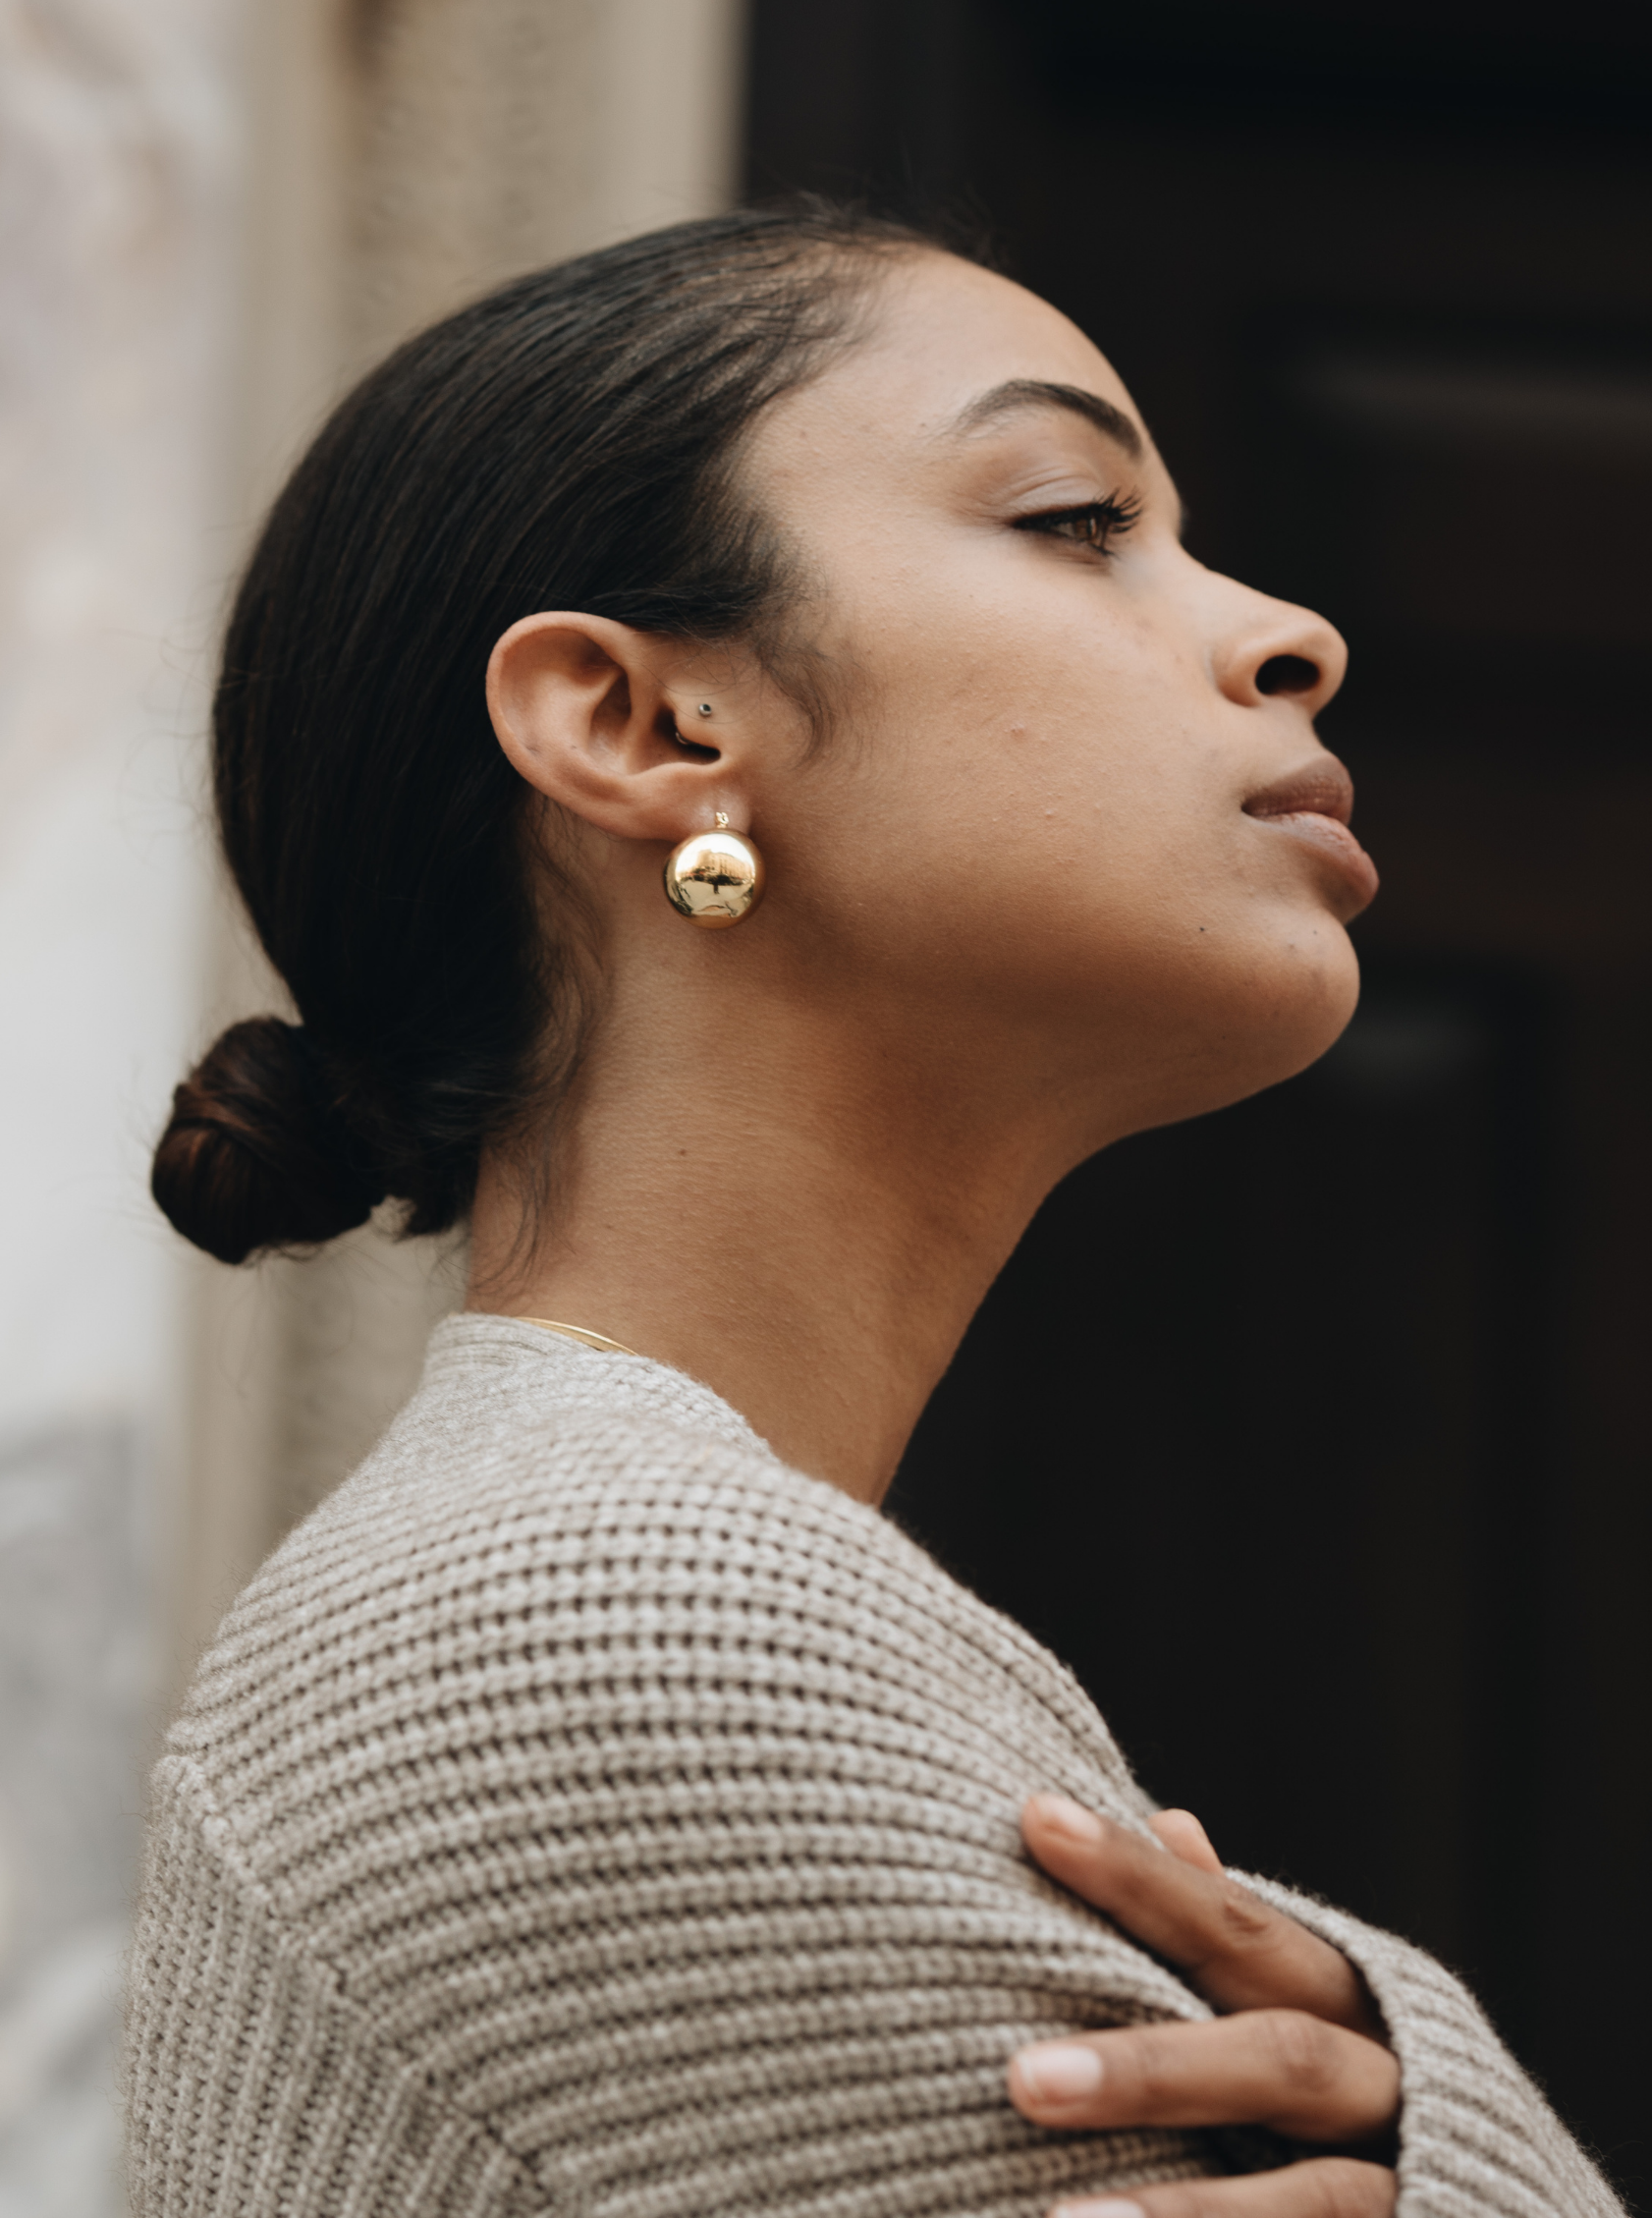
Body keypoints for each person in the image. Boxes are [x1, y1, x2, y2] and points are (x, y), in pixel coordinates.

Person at [125, 204, 1623, 2218]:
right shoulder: (621, 1622)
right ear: (648, 726)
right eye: (1077, 515)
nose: (1288, 633)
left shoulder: (576, 1571)